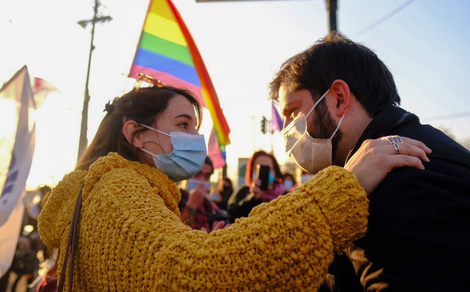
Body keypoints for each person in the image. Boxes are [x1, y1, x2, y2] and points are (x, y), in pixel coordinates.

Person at [38, 76, 430, 291]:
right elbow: (193, 275)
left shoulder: (113, 190)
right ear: (136, 135)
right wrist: (342, 189)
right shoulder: (116, 186)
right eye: (182, 125)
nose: (195, 139)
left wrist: (216, 240)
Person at [269, 31, 470, 291]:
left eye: (293, 111)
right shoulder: (411, 146)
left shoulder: (398, 177)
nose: (286, 129)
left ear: (339, 98)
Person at [227, 150, 285, 222]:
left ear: (275, 172)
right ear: (251, 172)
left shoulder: (285, 195)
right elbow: (232, 215)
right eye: (259, 168)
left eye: (267, 168)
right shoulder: (243, 192)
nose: (264, 172)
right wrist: (252, 198)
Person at [178, 156, 230, 232]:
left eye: (207, 176)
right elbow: (177, 232)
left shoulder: (210, 205)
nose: (202, 181)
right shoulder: (175, 200)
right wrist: (191, 205)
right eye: (197, 175)